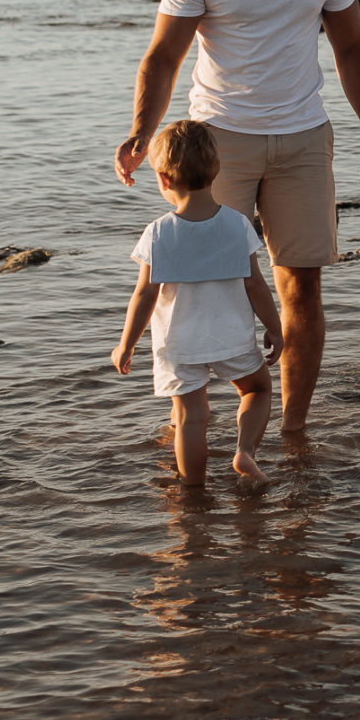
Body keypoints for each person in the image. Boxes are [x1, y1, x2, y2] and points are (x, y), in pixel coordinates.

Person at [115, 0, 360, 438]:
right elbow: (165, 56)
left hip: (302, 138)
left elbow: (350, 48)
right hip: (218, 143)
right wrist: (142, 130)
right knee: (200, 282)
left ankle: (291, 432)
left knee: (302, 288)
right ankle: (189, 424)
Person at [110, 121, 284, 485]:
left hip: (178, 343)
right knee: (257, 390)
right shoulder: (237, 225)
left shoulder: (158, 232)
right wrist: (275, 325)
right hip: (230, 335)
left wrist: (127, 344)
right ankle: (245, 451)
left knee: (190, 415)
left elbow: (144, 294)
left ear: (163, 179)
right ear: (216, 169)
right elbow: (255, 284)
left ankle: (193, 496)